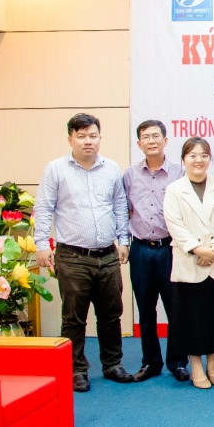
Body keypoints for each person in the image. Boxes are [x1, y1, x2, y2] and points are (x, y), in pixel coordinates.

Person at [34, 113, 133, 393]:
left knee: (111, 314)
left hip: (108, 255)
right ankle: (76, 369)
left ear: (100, 138)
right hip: (72, 257)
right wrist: (41, 244)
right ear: (70, 139)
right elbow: (44, 208)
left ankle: (112, 364)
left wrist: (123, 240)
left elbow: (119, 206)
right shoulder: (55, 169)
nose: (87, 141)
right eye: (81, 136)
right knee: (74, 318)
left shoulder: (111, 168)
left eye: (92, 135)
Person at [162, 138, 214, 389]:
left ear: (210, 159)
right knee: (190, 319)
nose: (198, 160)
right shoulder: (174, 189)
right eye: (192, 155)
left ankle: (212, 365)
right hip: (190, 261)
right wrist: (199, 250)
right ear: (183, 160)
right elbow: (174, 224)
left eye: (204, 155)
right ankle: (196, 367)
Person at [123, 119, 187, 382]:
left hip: (170, 248)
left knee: (176, 308)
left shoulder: (179, 172)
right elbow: (124, 211)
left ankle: (178, 362)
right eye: (146, 137)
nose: (151, 141)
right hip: (140, 250)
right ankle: (151, 362)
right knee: (145, 309)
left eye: (156, 136)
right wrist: (123, 242)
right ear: (139, 144)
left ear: (165, 140)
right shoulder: (129, 175)